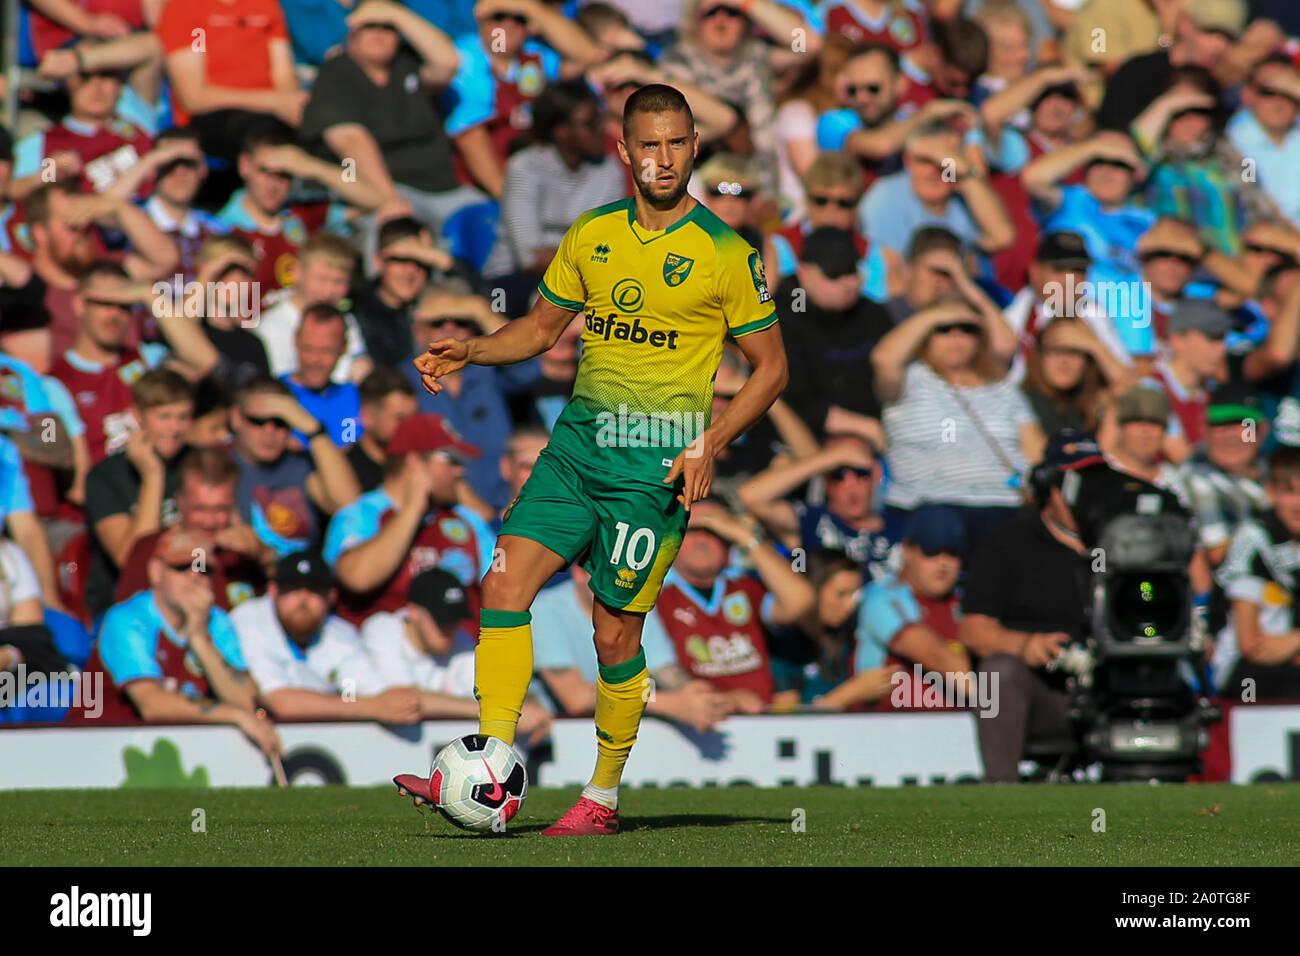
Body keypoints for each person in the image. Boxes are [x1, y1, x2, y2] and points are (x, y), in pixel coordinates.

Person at [398, 83, 788, 835]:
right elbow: (542, 330)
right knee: (504, 580)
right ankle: (491, 763)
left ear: (695, 147)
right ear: (624, 151)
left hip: (653, 475)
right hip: (576, 453)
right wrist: (474, 348)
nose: (663, 158)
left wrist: (711, 441)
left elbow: (771, 369)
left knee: (616, 635)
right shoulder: (592, 233)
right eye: (650, 143)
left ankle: (601, 799)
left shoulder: (727, 253)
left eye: (677, 142)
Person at [958, 431, 1105, 782]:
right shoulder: (1006, 545)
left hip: (1115, 688)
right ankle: (1002, 797)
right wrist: (1026, 646)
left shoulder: (1128, 539)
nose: (1090, 493)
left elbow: (1153, 601)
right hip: (1048, 693)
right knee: (999, 671)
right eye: (1077, 483)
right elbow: (973, 630)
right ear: (1050, 489)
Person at [66, 527, 282, 760]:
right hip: (99, 748)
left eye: (204, 569)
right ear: (156, 572)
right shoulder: (128, 619)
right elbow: (152, 705)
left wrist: (200, 639)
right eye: (182, 566)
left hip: (180, 751)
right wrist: (235, 716)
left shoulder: (217, 622)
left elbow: (248, 701)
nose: (194, 576)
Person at [298, 0, 486, 236]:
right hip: (389, 190)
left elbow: (449, 63)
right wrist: (388, 198)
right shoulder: (335, 74)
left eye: (388, 27)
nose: (379, 34)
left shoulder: (408, 64)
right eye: (370, 26)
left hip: (445, 190)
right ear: (353, 33)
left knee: (491, 223)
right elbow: (350, 141)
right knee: (396, 231)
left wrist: (397, 13)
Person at [871, 296, 1040, 547]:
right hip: (928, 503)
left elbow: (1036, 452)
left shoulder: (1003, 388)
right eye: (944, 329)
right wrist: (937, 314)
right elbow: (883, 359)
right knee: (942, 528)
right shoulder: (909, 380)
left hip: (1003, 504)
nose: (956, 335)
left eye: (967, 329)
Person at [324, 413, 495, 628]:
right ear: (415, 462)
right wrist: (412, 510)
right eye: (451, 460)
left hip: (462, 652)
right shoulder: (360, 515)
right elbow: (357, 577)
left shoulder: (466, 519)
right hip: (380, 652)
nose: (460, 470)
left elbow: (505, 587)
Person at [524, 563, 731, 732]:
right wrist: (670, 703)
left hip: (607, 724)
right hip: (545, 731)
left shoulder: (635, 606)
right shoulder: (545, 610)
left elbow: (667, 672)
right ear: (578, 573)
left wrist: (700, 698)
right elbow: (576, 698)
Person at [49, 262, 217, 467]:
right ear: (79, 304)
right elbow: (54, 453)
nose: (114, 314)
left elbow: (203, 361)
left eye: (125, 305)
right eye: (105, 303)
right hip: (100, 492)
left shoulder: (148, 360)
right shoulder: (55, 380)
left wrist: (149, 294)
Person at [230, 549, 426, 723]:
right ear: (272, 591)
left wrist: (377, 703)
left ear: (331, 596)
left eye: (314, 590)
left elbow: (374, 693)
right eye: (293, 588)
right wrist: (371, 708)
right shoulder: (250, 619)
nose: (303, 599)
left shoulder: (339, 632)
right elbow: (278, 701)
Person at [656, 497, 813, 710]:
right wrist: (729, 700)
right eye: (692, 529)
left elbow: (800, 602)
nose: (702, 540)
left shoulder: (745, 583)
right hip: (691, 720)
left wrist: (746, 537)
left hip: (759, 722)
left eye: (714, 532)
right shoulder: (655, 592)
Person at [657, 0, 818, 198]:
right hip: (697, 178)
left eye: (732, 13)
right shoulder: (676, 61)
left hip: (759, 179)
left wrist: (747, 3)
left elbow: (807, 45)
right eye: (711, 12)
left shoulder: (757, 56)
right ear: (695, 20)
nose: (721, 20)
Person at [364, 566, 552, 734]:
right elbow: (406, 700)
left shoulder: (459, 638)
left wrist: (528, 706)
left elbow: (491, 689)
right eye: (441, 620)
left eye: (454, 619)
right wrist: (500, 712)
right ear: (412, 612)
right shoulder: (383, 629)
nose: (449, 627)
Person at [482, 77, 628, 289]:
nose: (601, 130)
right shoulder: (525, 167)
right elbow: (528, 259)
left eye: (601, 120)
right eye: (590, 124)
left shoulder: (610, 170)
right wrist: (591, 257)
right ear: (561, 131)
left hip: (581, 281)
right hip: (511, 281)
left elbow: (609, 246)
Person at [403, 290, 540, 509]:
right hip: (435, 516)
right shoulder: (404, 382)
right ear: (419, 331)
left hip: (504, 513)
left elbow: (530, 367)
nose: (450, 328)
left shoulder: (490, 372)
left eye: (461, 320)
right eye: (438, 322)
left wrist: (480, 310)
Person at [83, 368, 194, 621]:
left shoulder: (197, 463)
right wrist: (153, 476)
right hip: (126, 604)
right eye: (164, 416)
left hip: (193, 589)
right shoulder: (104, 476)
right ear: (136, 416)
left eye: (183, 417)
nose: (175, 428)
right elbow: (132, 561)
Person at [775, 226, 895, 441]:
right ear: (804, 274)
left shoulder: (872, 313)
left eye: (852, 271)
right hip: (803, 440)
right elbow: (791, 399)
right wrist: (864, 427)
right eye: (835, 274)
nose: (848, 284)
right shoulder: (786, 315)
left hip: (875, 431)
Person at [114, 447, 271, 611]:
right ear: (180, 502)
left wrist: (265, 556)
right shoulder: (150, 549)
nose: (209, 522)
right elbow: (127, 619)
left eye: (220, 509)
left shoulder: (242, 556)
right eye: (200, 509)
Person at [229, 376, 361, 557]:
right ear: (236, 418)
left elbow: (350, 508)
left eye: (281, 422)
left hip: (304, 577)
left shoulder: (302, 465)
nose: (269, 431)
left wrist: (313, 430)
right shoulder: (217, 465)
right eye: (258, 421)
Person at [858, 504, 972, 707]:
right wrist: (998, 698)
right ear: (907, 551)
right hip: (885, 729)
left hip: (955, 729)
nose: (943, 563)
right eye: (932, 552)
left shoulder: (964, 600)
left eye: (952, 553)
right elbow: (935, 656)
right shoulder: (881, 596)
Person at [739, 432, 894, 577]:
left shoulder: (903, 524)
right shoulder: (808, 520)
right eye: (838, 474)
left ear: (876, 473)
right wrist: (833, 457)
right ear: (825, 479)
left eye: (861, 472)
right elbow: (750, 496)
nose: (851, 484)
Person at [858, 120, 1017, 258]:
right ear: (907, 161)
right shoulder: (886, 197)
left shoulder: (962, 200)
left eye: (944, 162)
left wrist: (966, 174)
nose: (934, 171)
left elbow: (1002, 237)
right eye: (926, 160)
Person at [1215, 444, 1300, 700]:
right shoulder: (1254, 539)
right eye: (1289, 492)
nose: (1298, 503)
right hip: (1247, 674)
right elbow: (1252, 646)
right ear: (1270, 493)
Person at [767, 548, 899, 710]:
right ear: (813, 590)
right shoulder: (786, 645)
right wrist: (853, 691)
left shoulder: (846, 636)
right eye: (841, 594)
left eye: (855, 595)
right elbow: (784, 721)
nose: (850, 605)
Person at [251, 233, 371, 384]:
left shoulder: (346, 320)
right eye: (322, 279)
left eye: (339, 282)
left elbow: (360, 369)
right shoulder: (272, 327)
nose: (328, 291)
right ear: (297, 272)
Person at [351, 219, 454, 371]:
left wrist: (444, 261)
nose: (411, 272)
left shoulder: (437, 301)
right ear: (378, 262)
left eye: (421, 261)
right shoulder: (359, 308)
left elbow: (492, 302)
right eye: (402, 260)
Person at [1226, 55, 1300, 226]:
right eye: (1268, 92)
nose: (1279, 102)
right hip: (1273, 236)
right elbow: (1251, 198)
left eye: (1289, 94)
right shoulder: (1236, 142)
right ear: (1248, 95)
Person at [1021, 317, 1125, 438]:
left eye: (1073, 352)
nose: (1064, 361)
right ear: (1040, 357)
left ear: (1087, 361)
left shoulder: (1094, 404)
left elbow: (1132, 395)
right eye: (1055, 351)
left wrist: (1096, 346)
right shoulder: (1022, 404)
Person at [280, 305, 362, 447]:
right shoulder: (276, 394)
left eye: (326, 351)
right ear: (295, 341)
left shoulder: (358, 397)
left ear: (344, 348)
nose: (315, 360)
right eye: (309, 348)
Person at [346, 367, 418, 493]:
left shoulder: (419, 462)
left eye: (413, 418)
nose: (409, 426)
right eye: (400, 418)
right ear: (367, 416)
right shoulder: (347, 470)